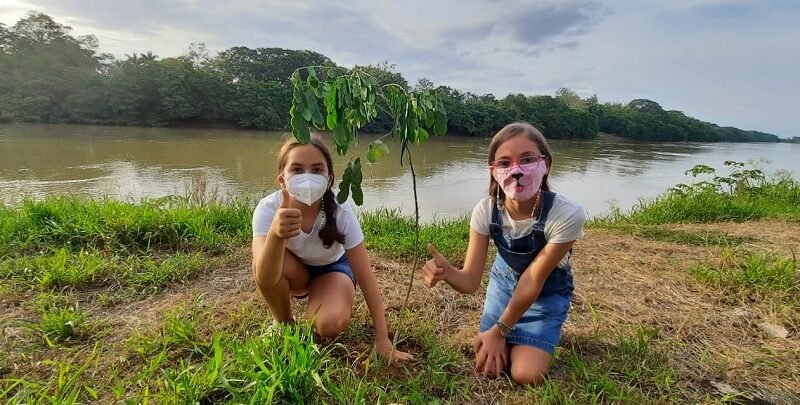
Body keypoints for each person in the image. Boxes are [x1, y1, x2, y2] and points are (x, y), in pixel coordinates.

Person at [421, 122, 586, 384]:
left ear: (546, 165)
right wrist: (448, 273)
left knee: (525, 375)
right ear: (494, 171)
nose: (516, 170)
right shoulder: (485, 211)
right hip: (503, 284)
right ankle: (517, 335)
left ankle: (540, 329)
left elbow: (533, 279)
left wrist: (500, 331)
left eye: (528, 159)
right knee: (490, 368)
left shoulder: (567, 214)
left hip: (546, 292)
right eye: (505, 163)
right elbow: (471, 281)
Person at [252, 134, 413, 362]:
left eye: (317, 170)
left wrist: (383, 340)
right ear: (282, 179)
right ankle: (284, 323)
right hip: (293, 270)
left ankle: (323, 297)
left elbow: (366, 277)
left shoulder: (341, 211)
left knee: (329, 324)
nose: (307, 177)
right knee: (263, 261)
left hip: (332, 270)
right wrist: (276, 236)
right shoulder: (268, 209)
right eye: (297, 170)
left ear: (329, 178)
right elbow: (264, 277)